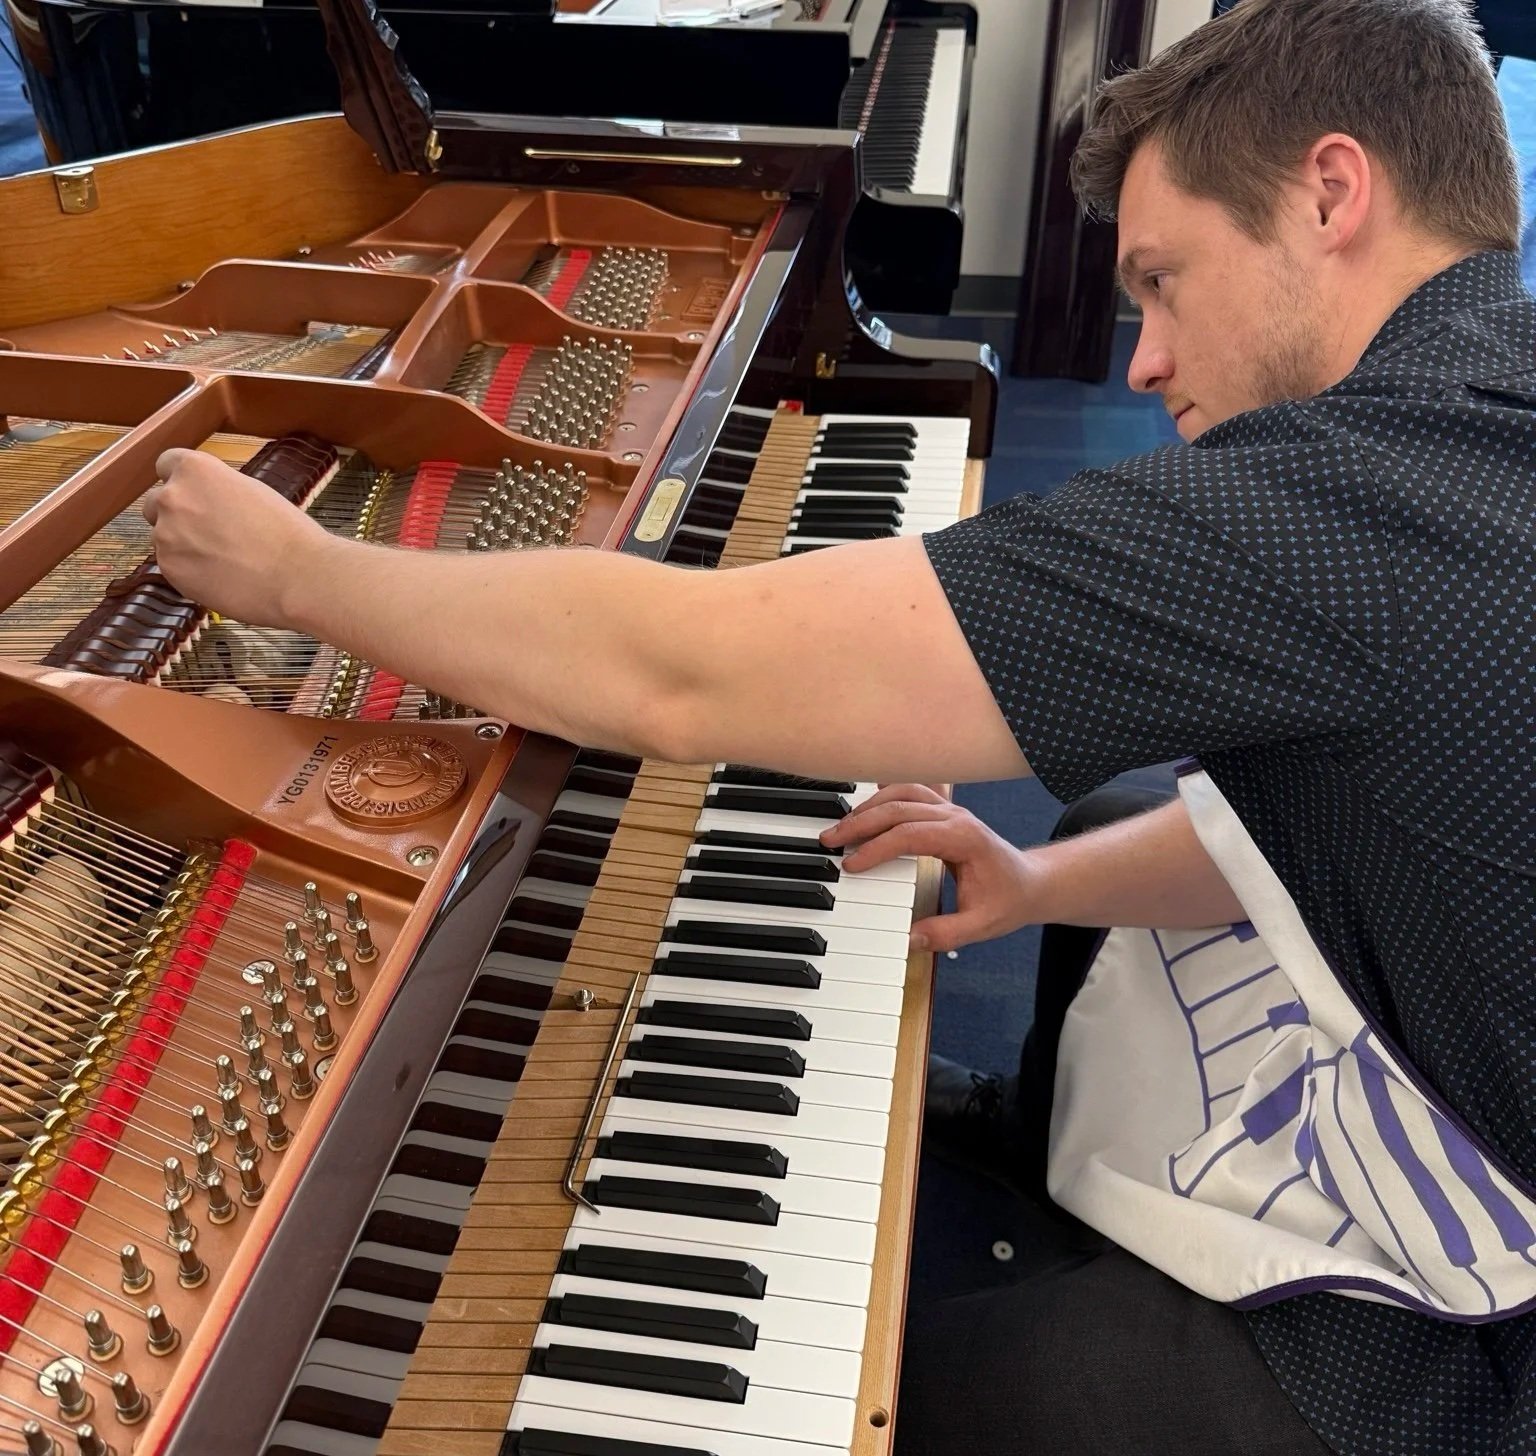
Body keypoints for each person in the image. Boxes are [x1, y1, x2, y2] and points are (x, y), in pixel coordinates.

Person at [144, 0, 1534, 1448]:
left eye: (1165, 284)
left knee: (923, 1398)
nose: (1141, 362)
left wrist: (301, 574)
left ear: (1330, 192)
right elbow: (1373, 792)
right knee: (1108, 826)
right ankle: (1036, 1161)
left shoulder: (1352, 514)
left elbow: (685, 678)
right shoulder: (1485, 390)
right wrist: (1043, 886)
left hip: (1492, 1351)